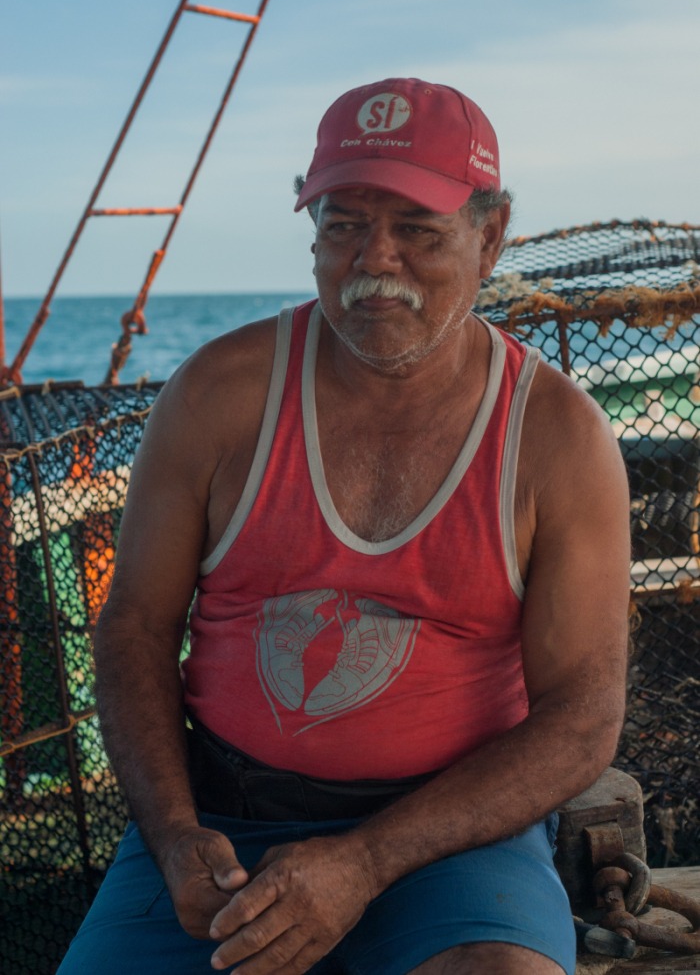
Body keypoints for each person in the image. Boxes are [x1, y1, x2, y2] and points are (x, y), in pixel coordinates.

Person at [57, 77, 630, 975]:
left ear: (491, 237)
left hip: (453, 837)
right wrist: (172, 833)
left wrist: (365, 861)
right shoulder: (216, 394)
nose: (375, 260)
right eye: (344, 224)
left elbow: (584, 716)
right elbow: (134, 627)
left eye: (418, 230)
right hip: (223, 821)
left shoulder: (559, 438)